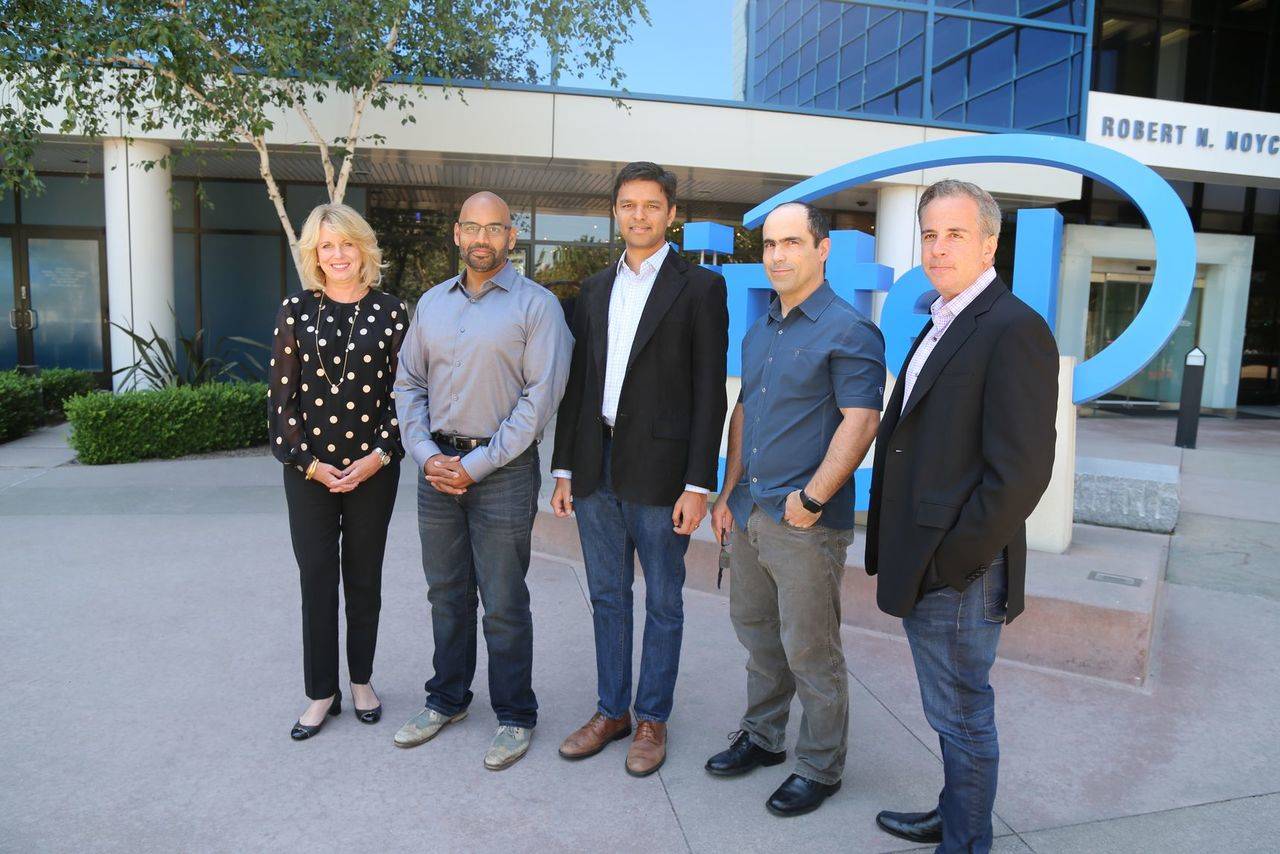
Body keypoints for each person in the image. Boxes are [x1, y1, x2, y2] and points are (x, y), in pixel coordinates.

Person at [866, 180, 1058, 852]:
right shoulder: (940, 317)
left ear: (989, 242)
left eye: (954, 234)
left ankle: (967, 842)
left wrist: (952, 564)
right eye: (929, 234)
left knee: (963, 714)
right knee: (949, 713)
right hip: (931, 562)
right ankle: (955, 814)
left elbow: (1021, 472)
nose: (938, 247)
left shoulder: (1014, 328)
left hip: (958, 572)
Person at [551, 162, 728, 776]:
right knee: (606, 594)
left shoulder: (701, 289)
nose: (639, 216)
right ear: (615, 211)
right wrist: (565, 468)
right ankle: (611, 711)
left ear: (671, 214)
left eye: (651, 205)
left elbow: (710, 393)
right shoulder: (595, 289)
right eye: (628, 204)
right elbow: (580, 384)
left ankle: (651, 717)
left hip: (663, 474)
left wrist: (697, 483)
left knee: (663, 600)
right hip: (595, 466)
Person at [707, 201, 884, 816]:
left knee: (811, 648)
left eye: (791, 243)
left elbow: (861, 422)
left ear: (822, 248)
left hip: (806, 522)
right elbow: (745, 413)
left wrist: (811, 500)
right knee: (758, 638)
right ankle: (763, 737)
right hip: (752, 510)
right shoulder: (762, 330)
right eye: (770, 246)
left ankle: (820, 766)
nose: (778, 256)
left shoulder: (849, 329)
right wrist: (728, 492)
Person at [392, 191, 572, 771]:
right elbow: (409, 385)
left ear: (511, 237)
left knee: (503, 602)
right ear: (456, 233)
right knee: (445, 595)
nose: (482, 238)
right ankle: (447, 699)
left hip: (503, 473)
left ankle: (515, 714)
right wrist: (424, 454)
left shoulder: (538, 307)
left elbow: (539, 401)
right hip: (435, 468)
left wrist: (474, 466)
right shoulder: (431, 305)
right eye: (472, 227)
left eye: (494, 229)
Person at [268, 203, 407, 740]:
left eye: (346, 243)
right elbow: (281, 403)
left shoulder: (393, 312)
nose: (338, 255)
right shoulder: (295, 311)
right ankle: (321, 691)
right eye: (327, 246)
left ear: (363, 248)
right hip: (310, 475)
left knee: (364, 578)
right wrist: (310, 464)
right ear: (314, 254)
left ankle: (362, 681)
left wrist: (379, 455)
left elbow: (407, 397)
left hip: (375, 470)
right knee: (317, 579)